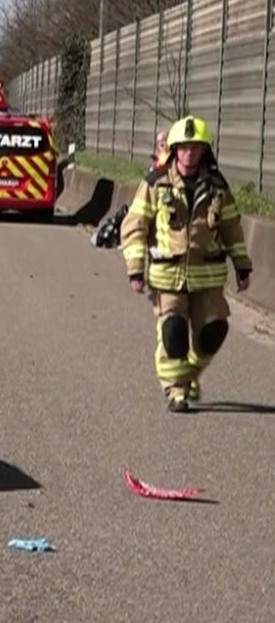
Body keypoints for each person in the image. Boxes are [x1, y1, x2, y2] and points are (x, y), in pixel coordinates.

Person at [119, 115, 254, 411]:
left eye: (196, 148)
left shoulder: (218, 186)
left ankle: (189, 373)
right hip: (167, 277)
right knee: (173, 333)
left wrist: (242, 265)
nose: (189, 153)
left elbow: (231, 227)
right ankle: (176, 390)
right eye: (184, 147)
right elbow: (135, 225)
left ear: (205, 150)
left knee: (215, 331)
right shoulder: (156, 183)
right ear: (174, 149)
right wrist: (135, 268)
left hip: (208, 276)